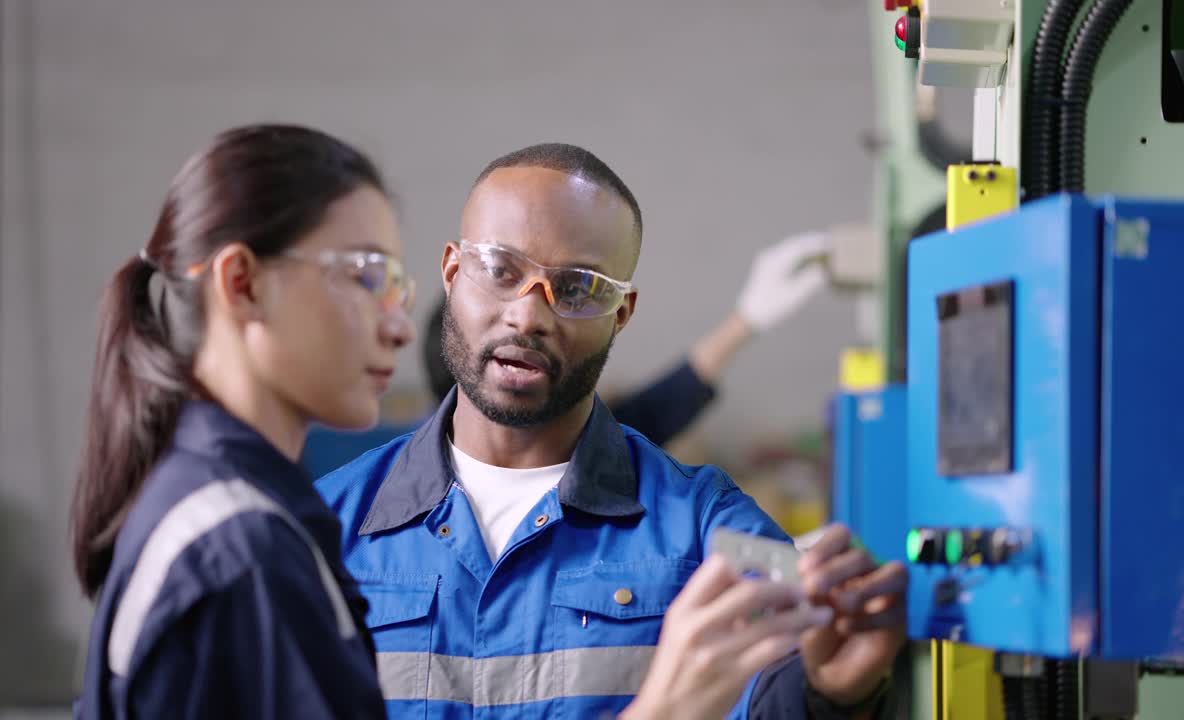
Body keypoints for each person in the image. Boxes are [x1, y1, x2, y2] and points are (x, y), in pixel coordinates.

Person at [317, 143, 907, 719]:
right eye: (500, 270)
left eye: (576, 289)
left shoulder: (708, 529)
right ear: (452, 271)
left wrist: (825, 690)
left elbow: (778, 684)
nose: (527, 314)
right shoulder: (326, 527)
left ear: (620, 314)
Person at [70, 124, 416, 718]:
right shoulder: (243, 550)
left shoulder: (204, 505)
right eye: (365, 276)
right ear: (243, 283)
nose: (400, 327)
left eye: (396, 288)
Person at [300, 230, 831, 477]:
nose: (529, 316)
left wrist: (746, 321)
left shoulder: (592, 458)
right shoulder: (363, 497)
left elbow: (654, 411)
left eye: (571, 291)